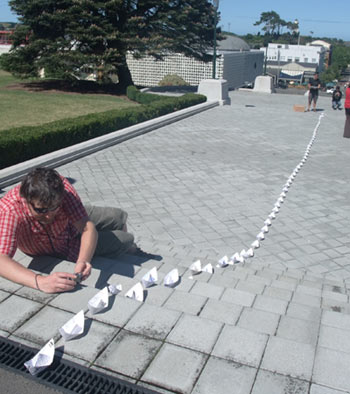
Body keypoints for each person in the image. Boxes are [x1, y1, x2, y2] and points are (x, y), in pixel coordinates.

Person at [0, 167, 147, 293]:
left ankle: (131, 251)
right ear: (26, 199)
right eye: (41, 210)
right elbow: (1, 259)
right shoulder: (9, 210)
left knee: (118, 216)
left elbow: (86, 227)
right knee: (125, 239)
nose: (49, 214)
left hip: (70, 224)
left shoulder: (62, 187)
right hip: (63, 246)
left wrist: (84, 260)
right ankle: (130, 250)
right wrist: (40, 282)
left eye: (54, 207)